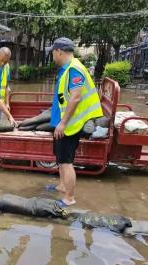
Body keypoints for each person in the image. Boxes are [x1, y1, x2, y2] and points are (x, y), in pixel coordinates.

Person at [47, 37, 103, 207]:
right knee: (60, 158)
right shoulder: (67, 69)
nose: (52, 56)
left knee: (66, 161)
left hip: (70, 125)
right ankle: (62, 186)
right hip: (62, 122)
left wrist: (63, 123)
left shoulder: (74, 69)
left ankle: (69, 198)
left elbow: (76, 97)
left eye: (53, 53)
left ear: (59, 52)